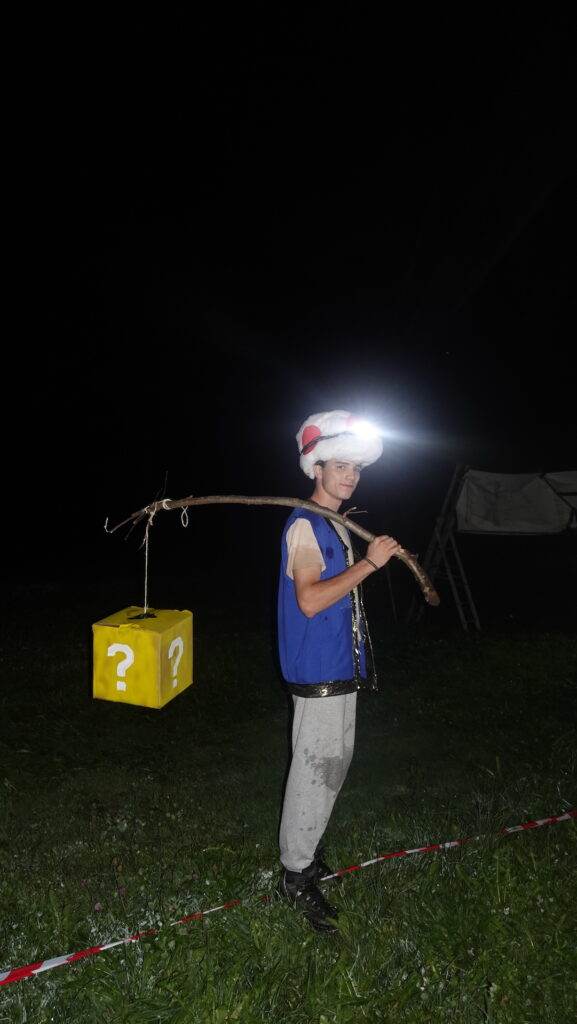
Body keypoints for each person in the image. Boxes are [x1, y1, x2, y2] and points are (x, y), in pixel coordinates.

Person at [277, 410, 400, 933]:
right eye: (340, 466)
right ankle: (295, 875)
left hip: (340, 667)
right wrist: (370, 564)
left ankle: (308, 849)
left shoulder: (335, 523)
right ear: (317, 468)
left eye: (356, 468)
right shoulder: (306, 524)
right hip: (317, 669)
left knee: (334, 763)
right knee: (315, 767)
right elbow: (309, 601)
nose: (350, 476)